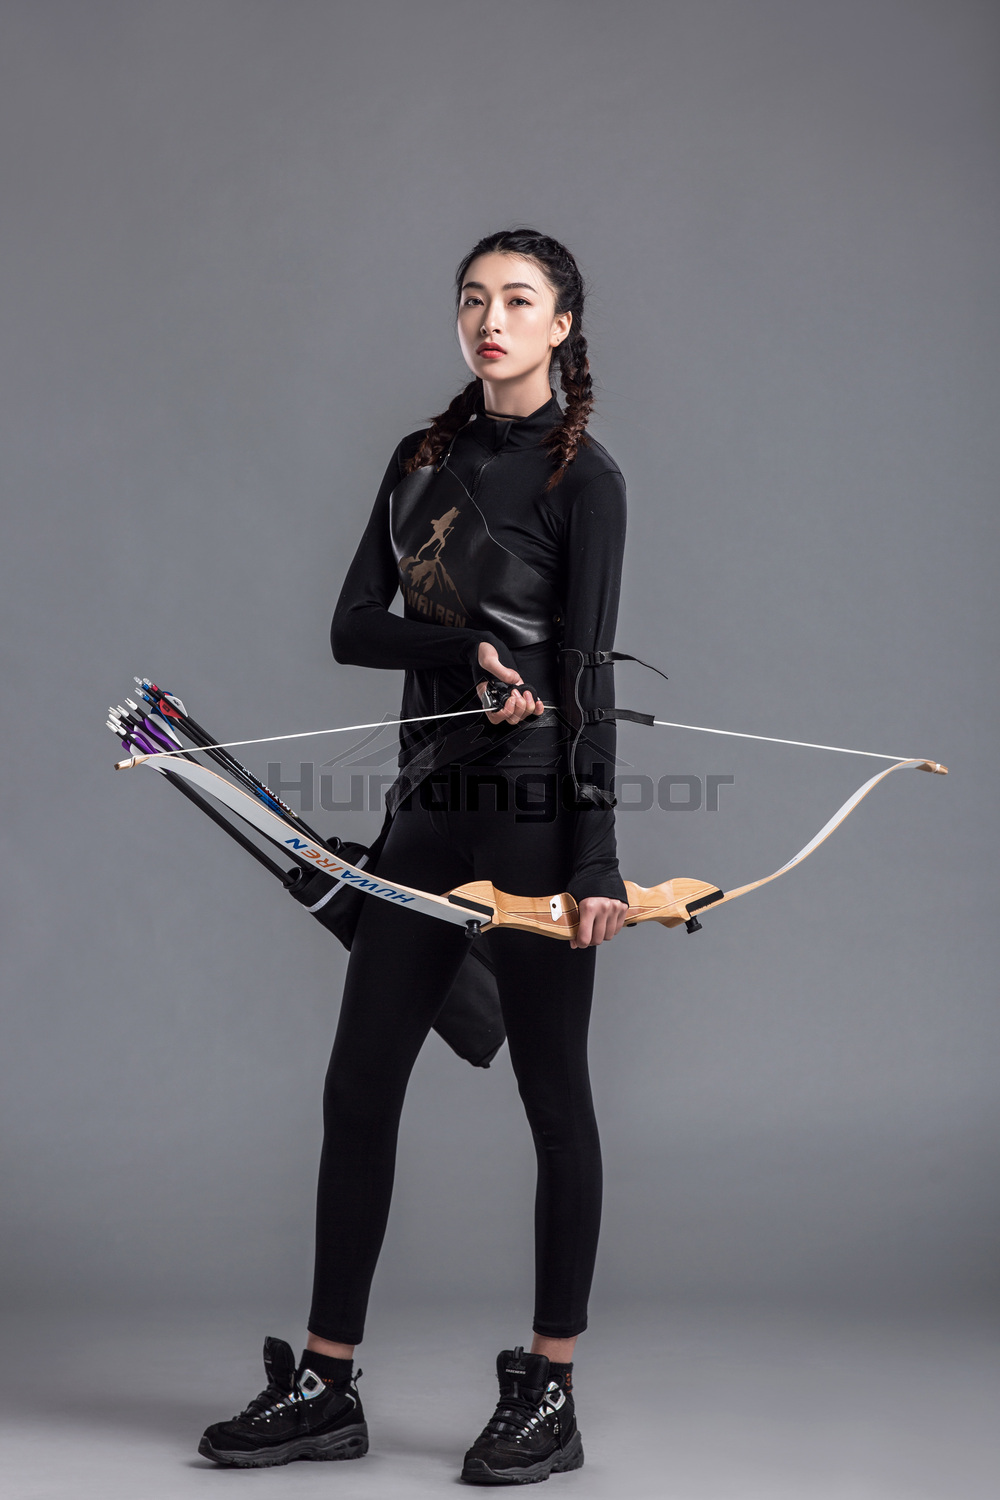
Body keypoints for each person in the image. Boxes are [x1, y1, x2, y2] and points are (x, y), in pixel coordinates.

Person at [199, 228, 630, 1484]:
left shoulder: (585, 480)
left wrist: (597, 861)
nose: (491, 319)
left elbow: (588, 677)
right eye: (472, 299)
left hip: (537, 814)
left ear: (561, 326)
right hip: (426, 813)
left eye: (518, 301)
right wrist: (462, 653)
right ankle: (326, 1386)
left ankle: (550, 1391)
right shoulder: (421, 458)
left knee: (554, 1100)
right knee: (358, 1090)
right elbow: (352, 627)